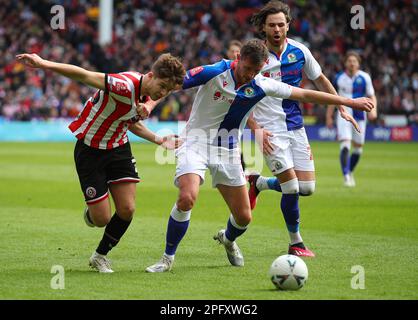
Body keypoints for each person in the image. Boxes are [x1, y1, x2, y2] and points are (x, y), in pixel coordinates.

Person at [145, 39, 374, 272]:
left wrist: (348, 102)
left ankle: (229, 239)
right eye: (247, 69)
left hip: (228, 150)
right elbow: (174, 83)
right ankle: (167, 258)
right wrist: (149, 104)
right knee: (187, 197)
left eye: (256, 71)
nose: (250, 76)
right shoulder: (215, 71)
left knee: (244, 218)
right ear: (237, 60)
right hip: (195, 142)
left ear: (264, 66)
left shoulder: (263, 84)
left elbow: (304, 94)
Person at [16, 52, 186, 273]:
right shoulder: (123, 85)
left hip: (118, 148)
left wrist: (159, 139)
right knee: (102, 218)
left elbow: (129, 122)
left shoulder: (145, 96)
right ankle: (92, 212)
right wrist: (43, 63)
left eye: (167, 91)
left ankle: (99, 256)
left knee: (127, 209)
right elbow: (84, 75)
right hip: (90, 150)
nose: (162, 93)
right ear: (151, 75)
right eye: (162, 86)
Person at [246, 0, 363, 257]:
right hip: (269, 130)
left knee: (307, 188)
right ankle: (295, 242)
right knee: (291, 188)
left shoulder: (300, 51)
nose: (276, 29)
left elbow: (319, 78)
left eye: (280, 24)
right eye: (271, 25)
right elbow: (241, 95)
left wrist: (341, 107)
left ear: (288, 25)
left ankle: (258, 182)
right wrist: (255, 127)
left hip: (295, 126)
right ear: (263, 29)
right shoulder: (256, 57)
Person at [326, 51, 377, 187]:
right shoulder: (338, 78)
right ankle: (346, 176)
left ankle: (349, 171)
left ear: (358, 64)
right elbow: (332, 98)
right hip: (344, 115)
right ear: (345, 63)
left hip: (360, 116)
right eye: (349, 61)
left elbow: (372, 96)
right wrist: (329, 116)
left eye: (354, 61)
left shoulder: (365, 77)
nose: (352, 63)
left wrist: (373, 111)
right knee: (345, 144)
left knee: (358, 149)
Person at [226, 40, 248, 174]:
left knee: (235, 149)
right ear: (228, 53)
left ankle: (243, 177)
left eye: (237, 51)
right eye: (232, 51)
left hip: (236, 120)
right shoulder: (218, 72)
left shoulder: (248, 76)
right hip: (217, 120)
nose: (234, 54)